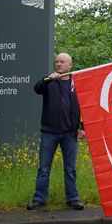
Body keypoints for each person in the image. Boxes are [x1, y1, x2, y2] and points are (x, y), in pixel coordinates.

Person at [27, 53, 85, 210]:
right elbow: (37, 89)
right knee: (44, 168)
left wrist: (83, 128)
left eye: (62, 62)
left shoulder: (77, 83)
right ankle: (39, 199)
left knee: (70, 169)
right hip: (50, 132)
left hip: (70, 133)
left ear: (70, 65)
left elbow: (84, 107)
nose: (59, 64)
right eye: (57, 62)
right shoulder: (49, 81)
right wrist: (48, 79)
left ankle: (73, 199)